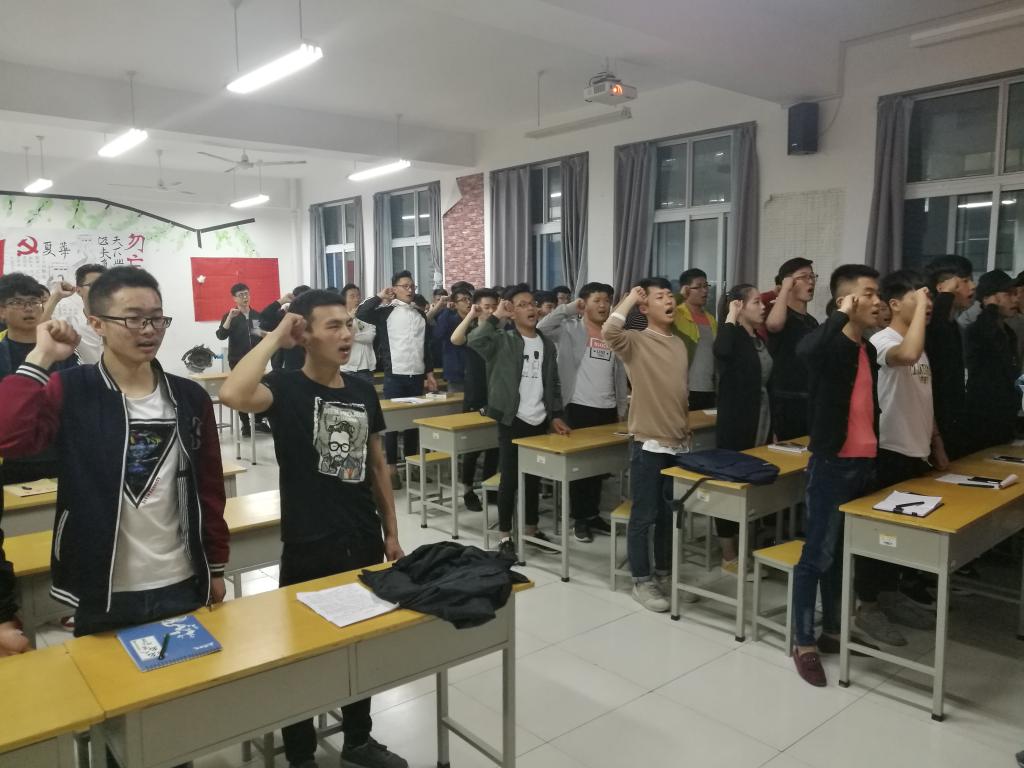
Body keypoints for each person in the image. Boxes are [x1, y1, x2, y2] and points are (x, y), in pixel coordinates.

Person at [220, 289, 407, 768]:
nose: (346, 334)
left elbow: (376, 464)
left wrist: (391, 531)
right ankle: (300, 752)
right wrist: (276, 336)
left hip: (360, 533)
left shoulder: (362, 389)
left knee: (359, 640)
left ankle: (358, 740)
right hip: (308, 538)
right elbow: (233, 394)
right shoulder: (284, 388)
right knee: (301, 650)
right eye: (333, 326)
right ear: (305, 334)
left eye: (348, 324)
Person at [0, 267, 229, 639]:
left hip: (182, 576)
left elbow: (209, 487)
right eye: (133, 319)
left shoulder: (188, 397)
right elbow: (10, 438)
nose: (149, 330)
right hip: (102, 584)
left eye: (156, 318)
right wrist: (42, 355)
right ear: (97, 323)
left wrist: (216, 566)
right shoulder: (72, 389)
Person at [790, 264, 881, 687]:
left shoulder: (868, 349)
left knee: (841, 555)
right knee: (816, 555)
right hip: (832, 463)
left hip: (863, 462)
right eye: (869, 293)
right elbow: (805, 351)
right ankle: (802, 641)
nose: (877, 301)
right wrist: (839, 315)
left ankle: (831, 630)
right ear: (847, 299)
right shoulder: (829, 346)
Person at [603, 279, 697, 612]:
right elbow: (609, 332)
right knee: (644, 514)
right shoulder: (636, 341)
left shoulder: (679, 344)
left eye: (670, 296)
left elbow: (679, 393)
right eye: (660, 297)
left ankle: (664, 573)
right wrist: (631, 297)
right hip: (648, 443)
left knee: (669, 514)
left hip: (678, 443)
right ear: (645, 308)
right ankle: (642, 580)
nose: (669, 301)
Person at [863, 270, 942, 643]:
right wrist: (924, 304)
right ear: (894, 304)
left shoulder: (916, 342)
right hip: (889, 449)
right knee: (878, 535)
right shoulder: (883, 340)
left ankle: (889, 594)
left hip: (915, 450)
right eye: (917, 298)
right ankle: (867, 606)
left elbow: (924, 398)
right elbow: (906, 356)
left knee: (898, 536)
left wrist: (937, 444)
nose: (927, 305)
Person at [468, 284, 570, 557]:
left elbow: (554, 383)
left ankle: (531, 529)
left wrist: (555, 416)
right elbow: (475, 340)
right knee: (510, 479)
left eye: (532, 303)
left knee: (533, 478)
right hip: (512, 418)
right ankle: (505, 536)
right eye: (522, 305)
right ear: (512, 312)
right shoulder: (502, 340)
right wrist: (495, 316)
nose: (531, 308)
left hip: (539, 419)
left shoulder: (546, 343)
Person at [538, 282, 628, 543]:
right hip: (578, 407)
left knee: (599, 468)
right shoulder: (570, 329)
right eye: (597, 300)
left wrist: (621, 407)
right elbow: (542, 328)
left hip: (607, 408)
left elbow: (619, 374)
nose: (603, 305)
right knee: (580, 469)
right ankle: (579, 518)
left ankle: (592, 514)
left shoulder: (612, 333)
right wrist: (567, 308)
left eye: (607, 300)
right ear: (584, 303)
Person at [357, 271, 437, 490]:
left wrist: (429, 373)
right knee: (392, 424)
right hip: (394, 374)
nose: (410, 290)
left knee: (413, 423)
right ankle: (391, 468)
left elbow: (426, 346)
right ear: (395, 288)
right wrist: (379, 296)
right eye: (405, 286)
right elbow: (361, 313)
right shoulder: (385, 312)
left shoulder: (419, 314)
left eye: (412, 286)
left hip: (416, 374)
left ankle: (412, 466)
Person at [712, 284, 771, 572]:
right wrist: (730, 317)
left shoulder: (757, 338)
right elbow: (721, 351)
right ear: (739, 306)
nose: (763, 306)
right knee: (730, 485)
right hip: (736, 420)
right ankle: (728, 554)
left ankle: (748, 546)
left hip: (761, 416)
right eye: (756, 302)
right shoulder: (732, 334)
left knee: (754, 484)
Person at [0, 273, 79, 487]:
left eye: (34, 302)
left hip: (58, 453)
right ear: (2, 311)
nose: (28, 308)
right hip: (10, 458)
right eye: (18, 302)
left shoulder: (62, 350)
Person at [451, 288, 500, 511]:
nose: (490, 311)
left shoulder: (500, 333)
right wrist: (471, 314)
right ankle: (468, 489)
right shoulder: (471, 331)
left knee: (494, 446)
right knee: (472, 447)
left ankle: (489, 488)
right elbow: (455, 339)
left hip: (496, 394)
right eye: (486, 307)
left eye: (493, 307)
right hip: (475, 394)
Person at [924, 255, 975, 460]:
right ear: (942, 287)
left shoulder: (954, 324)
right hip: (935, 420)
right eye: (965, 281)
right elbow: (938, 330)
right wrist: (945, 295)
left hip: (955, 416)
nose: (973, 286)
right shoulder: (931, 325)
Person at [965, 269, 1021, 450]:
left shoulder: (1009, 332)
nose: (1015, 299)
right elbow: (988, 336)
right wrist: (990, 308)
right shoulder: (976, 329)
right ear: (990, 298)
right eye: (1008, 294)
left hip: (1007, 413)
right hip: (984, 415)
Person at [765, 258, 818, 440]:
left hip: (809, 396)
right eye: (804, 277)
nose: (811, 281)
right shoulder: (780, 314)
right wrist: (785, 289)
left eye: (813, 276)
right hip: (786, 398)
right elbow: (774, 325)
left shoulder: (811, 321)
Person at [216, 282, 269, 436]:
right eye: (241, 295)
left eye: (247, 294)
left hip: (256, 360)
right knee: (242, 390)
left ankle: (258, 421)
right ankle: (245, 424)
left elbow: (257, 334)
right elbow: (221, 335)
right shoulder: (230, 316)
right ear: (234, 298)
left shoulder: (256, 315)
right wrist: (229, 318)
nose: (245, 297)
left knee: (259, 388)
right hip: (237, 360)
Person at [673, 268, 717, 411]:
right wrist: (680, 296)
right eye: (698, 287)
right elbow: (662, 310)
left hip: (709, 388)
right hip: (684, 388)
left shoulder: (711, 319)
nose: (704, 291)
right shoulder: (677, 313)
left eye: (706, 286)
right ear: (686, 290)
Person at [47, 263, 107, 364]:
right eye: (93, 285)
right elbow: (37, 336)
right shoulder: (69, 324)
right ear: (78, 290)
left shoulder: (123, 322)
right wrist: (55, 296)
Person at [432, 283, 474, 392]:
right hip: (456, 372)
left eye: (470, 299)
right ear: (455, 304)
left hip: (474, 372)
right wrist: (447, 310)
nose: (468, 302)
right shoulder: (449, 319)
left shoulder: (476, 320)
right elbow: (438, 335)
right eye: (463, 300)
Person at [259, 286, 311, 371]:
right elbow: (263, 317)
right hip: (285, 368)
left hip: (310, 368)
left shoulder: (314, 318)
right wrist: (281, 301)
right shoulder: (284, 317)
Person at [340, 283, 377, 384]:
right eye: (352, 296)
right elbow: (342, 335)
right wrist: (350, 319)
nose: (356, 299)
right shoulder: (339, 318)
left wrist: (352, 335)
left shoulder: (367, 316)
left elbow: (370, 337)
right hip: (347, 368)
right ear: (344, 300)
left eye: (358, 296)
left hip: (366, 368)